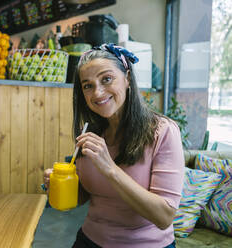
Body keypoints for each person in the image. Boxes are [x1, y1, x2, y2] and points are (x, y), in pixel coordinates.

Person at [43, 43, 184, 248]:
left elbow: (164, 217)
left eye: (106, 79)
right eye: (87, 85)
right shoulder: (90, 131)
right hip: (90, 239)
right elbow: (86, 196)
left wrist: (109, 168)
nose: (97, 93)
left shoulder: (163, 131)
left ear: (127, 78)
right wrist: (59, 184)